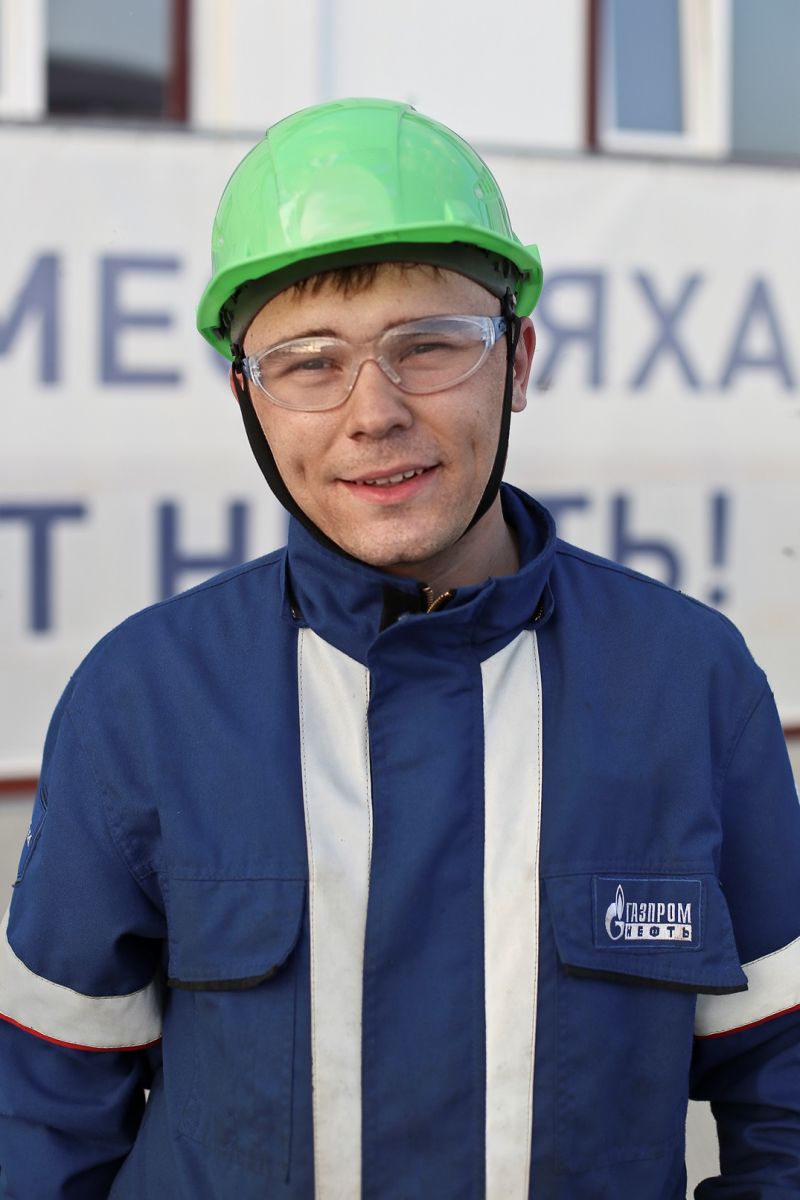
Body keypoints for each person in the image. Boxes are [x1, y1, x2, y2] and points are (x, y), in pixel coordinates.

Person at [0, 97, 798, 1200]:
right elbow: (41, 1125)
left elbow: (784, 1096)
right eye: (308, 363)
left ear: (518, 362)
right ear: (247, 400)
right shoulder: (142, 702)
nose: (372, 411)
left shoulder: (688, 684)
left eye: (429, 346)